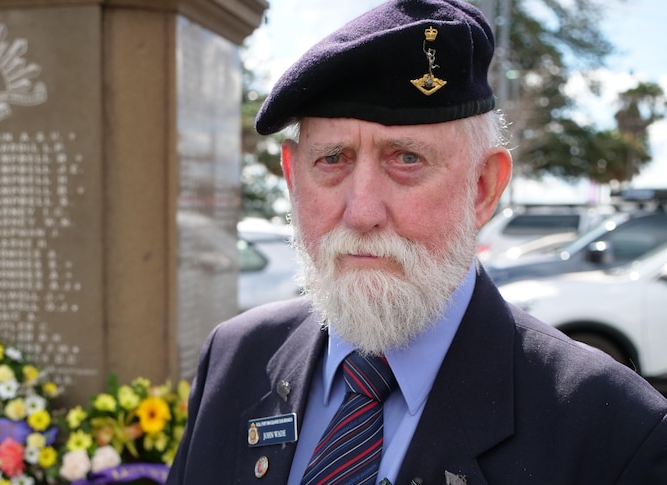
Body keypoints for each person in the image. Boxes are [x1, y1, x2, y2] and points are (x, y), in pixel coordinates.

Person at [166, 0, 667, 484]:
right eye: (333, 159)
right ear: (293, 179)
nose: (362, 213)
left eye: (406, 159)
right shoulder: (235, 360)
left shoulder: (613, 432)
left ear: (483, 187)